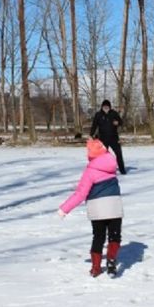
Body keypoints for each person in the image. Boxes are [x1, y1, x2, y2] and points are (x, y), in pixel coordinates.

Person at [58, 138, 124, 277]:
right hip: (114, 206)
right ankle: (111, 260)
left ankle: (95, 267)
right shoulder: (112, 167)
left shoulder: (90, 171)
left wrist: (65, 208)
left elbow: (81, 193)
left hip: (97, 208)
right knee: (115, 235)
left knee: (98, 237)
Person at [89, 100, 126, 174]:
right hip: (103, 138)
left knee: (119, 153)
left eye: (107, 107)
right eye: (104, 107)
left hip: (114, 138)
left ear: (109, 107)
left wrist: (118, 123)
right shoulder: (98, 115)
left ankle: (122, 170)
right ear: (102, 107)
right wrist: (91, 135)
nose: (106, 108)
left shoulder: (114, 113)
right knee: (101, 156)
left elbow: (121, 122)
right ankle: (102, 170)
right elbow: (94, 125)